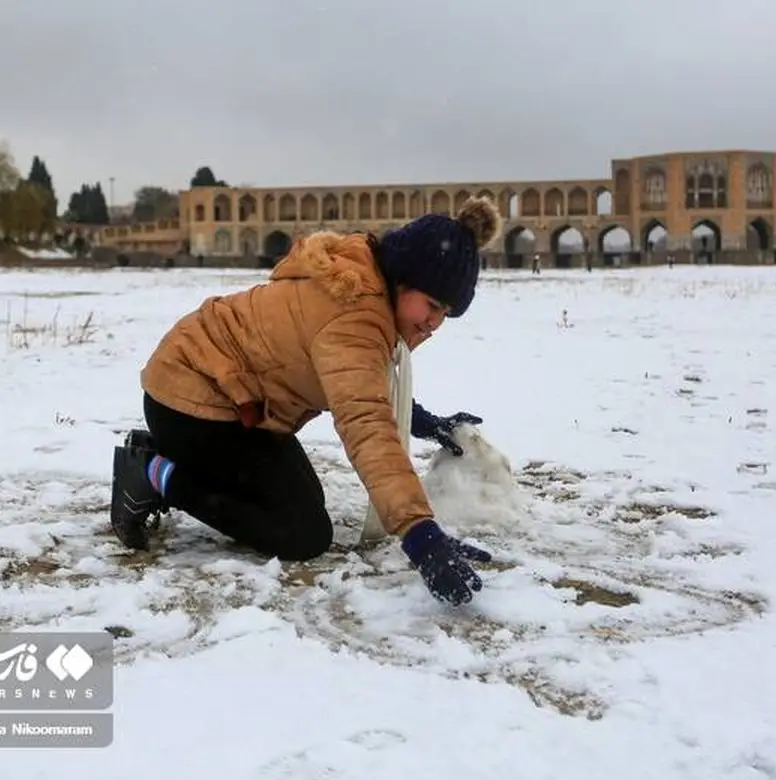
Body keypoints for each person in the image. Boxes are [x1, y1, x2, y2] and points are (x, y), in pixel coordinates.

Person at [109, 197, 503, 606]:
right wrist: (421, 536)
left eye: (447, 313)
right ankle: (151, 473)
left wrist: (424, 423)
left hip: (233, 402)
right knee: (300, 532)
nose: (435, 323)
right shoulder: (354, 313)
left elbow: (361, 385)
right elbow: (365, 422)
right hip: (191, 401)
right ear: (403, 279)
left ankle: (168, 455)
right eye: (433, 305)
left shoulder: (363, 281)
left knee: (303, 505)